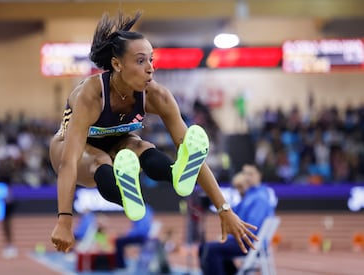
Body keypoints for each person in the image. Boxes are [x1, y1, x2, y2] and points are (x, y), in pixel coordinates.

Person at [49, 10, 257, 254]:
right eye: (140, 61)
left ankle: (175, 176)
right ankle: (126, 197)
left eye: (151, 60)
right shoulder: (91, 95)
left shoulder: (157, 95)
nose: (150, 69)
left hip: (118, 143)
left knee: (140, 146)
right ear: (117, 64)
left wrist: (224, 209)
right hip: (72, 150)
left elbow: (192, 154)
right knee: (101, 159)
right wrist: (64, 220)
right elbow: (68, 163)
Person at [199, 165, 276, 275]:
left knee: (209, 250)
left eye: (251, 174)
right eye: (245, 174)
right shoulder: (250, 195)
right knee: (207, 248)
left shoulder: (260, 198)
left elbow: (251, 227)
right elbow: (232, 214)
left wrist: (230, 237)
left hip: (250, 243)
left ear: (259, 175)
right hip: (245, 240)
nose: (247, 178)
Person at [115, 204, 154, 269]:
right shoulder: (148, 209)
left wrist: (128, 234)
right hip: (144, 237)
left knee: (119, 241)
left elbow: (140, 230)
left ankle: (120, 265)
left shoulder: (138, 210)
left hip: (140, 237)